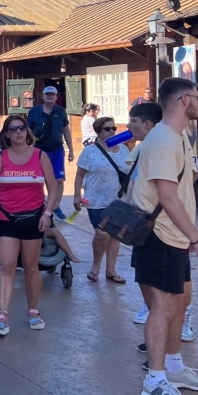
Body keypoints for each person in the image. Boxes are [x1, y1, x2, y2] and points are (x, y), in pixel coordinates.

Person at [130, 78, 198, 395]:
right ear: (184, 101)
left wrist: (190, 238)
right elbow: (167, 197)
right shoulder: (165, 141)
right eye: (197, 96)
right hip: (160, 235)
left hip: (175, 236)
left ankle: (174, 366)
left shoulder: (179, 136)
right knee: (164, 306)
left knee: (181, 301)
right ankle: (155, 381)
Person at [0, 114, 57, 336]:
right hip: (6, 217)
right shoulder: (0, 157)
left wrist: (48, 213)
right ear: (6, 134)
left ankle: (33, 311)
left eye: (22, 128)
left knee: (31, 266)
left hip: (33, 218)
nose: (18, 132)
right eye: (13, 129)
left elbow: (53, 188)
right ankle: (2, 316)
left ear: (27, 131)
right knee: (6, 267)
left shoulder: (40, 156)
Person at [72, 116, 129, 284]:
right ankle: (96, 265)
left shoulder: (124, 149)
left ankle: (111, 270)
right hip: (96, 200)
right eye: (107, 129)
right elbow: (79, 174)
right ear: (98, 132)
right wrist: (76, 195)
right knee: (102, 233)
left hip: (119, 200)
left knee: (115, 235)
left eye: (113, 129)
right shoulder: (90, 151)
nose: (111, 131)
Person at [125, 102, 164, 326]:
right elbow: (133, 184)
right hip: (141, 222)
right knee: (143, 275)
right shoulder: (143, 147)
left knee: (162, 279)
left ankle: (174, 321)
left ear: (148, 124)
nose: (128, 125)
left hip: (156, 224)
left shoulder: (157, 147)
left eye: (133, 121)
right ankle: (154, 317)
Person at [27, 87, 73, 222]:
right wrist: (30, 141)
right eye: (47, 94)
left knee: (59, 180)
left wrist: (70, 149)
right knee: (38, 179)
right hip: (39, 150)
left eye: (52, 94)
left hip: (57, 149)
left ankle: (56, 206)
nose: (50, 97)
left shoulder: (61, 111)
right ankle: (39, 205)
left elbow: (66, 130)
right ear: (43, 96)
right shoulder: (34, 111)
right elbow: (28, 128)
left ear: (56, 96)